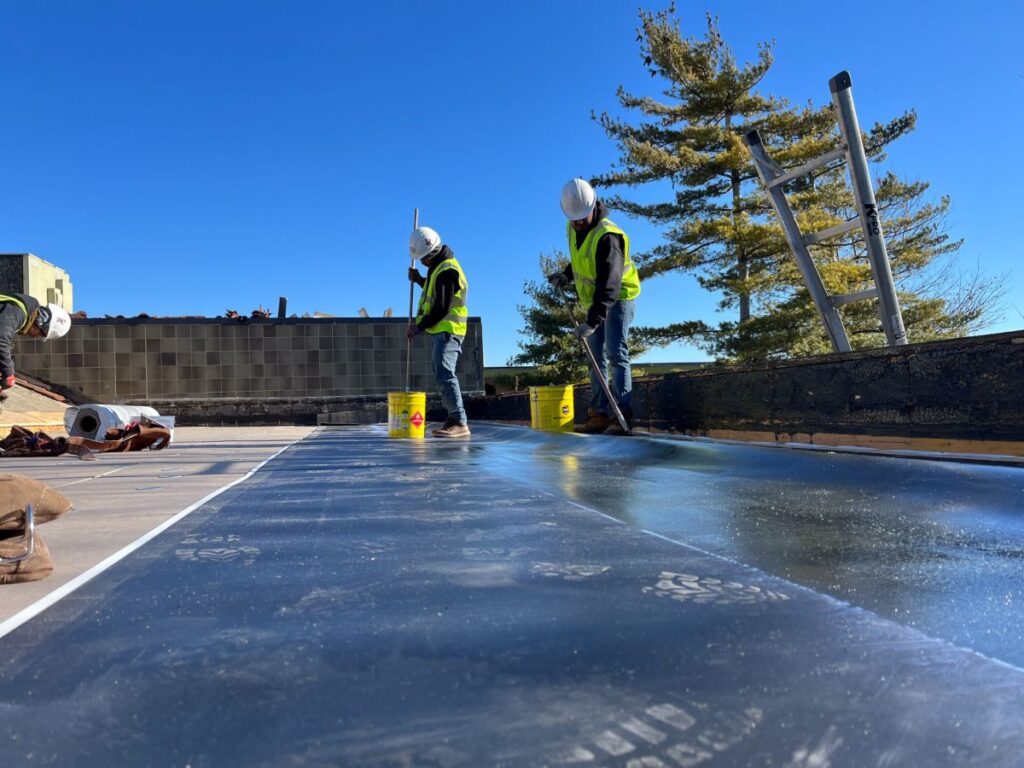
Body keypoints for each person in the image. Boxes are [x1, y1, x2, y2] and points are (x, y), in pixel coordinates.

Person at [548, 178, 641, 434]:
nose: (578, 223)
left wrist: (592, 321)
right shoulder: (574, 226)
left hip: (618, 297)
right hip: (595, 302)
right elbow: (580, 259)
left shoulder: (608, 236)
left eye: (582, 218)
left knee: (615, 353)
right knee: (594, 357)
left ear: (593, 207)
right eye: (573, 219)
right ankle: (599, 414)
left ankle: (623, 414)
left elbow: (609, 283)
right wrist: (566, 275)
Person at [406, 226, 471, 439]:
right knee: (441, 374)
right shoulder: (438, 269)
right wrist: (419, 280)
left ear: (432, 253)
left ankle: (459, 420)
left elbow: (442, 307)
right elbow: (435, 292)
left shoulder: (447, 270)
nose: (423, 263)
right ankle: (454, 418)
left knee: (445, 372)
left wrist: (418, 327)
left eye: (424, 260)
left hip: (448, 330)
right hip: (441, 331)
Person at [0, 294, 72, 405]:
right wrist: (8, 373)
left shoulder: (19, 312)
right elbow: (1, 340)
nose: (36, 337)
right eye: (41, 334)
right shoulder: (18, 311)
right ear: (41, 323)